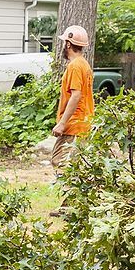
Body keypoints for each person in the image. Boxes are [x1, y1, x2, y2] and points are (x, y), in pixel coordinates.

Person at [51, 25, 95, 167]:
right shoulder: (84, 64)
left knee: (60, 162)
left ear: (68, 44)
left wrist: (62, 123)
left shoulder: (75, 66)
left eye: (64, 42)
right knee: (77, 167)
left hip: (74, 125)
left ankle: (65, 189)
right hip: (83, 124)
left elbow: (76, 96)